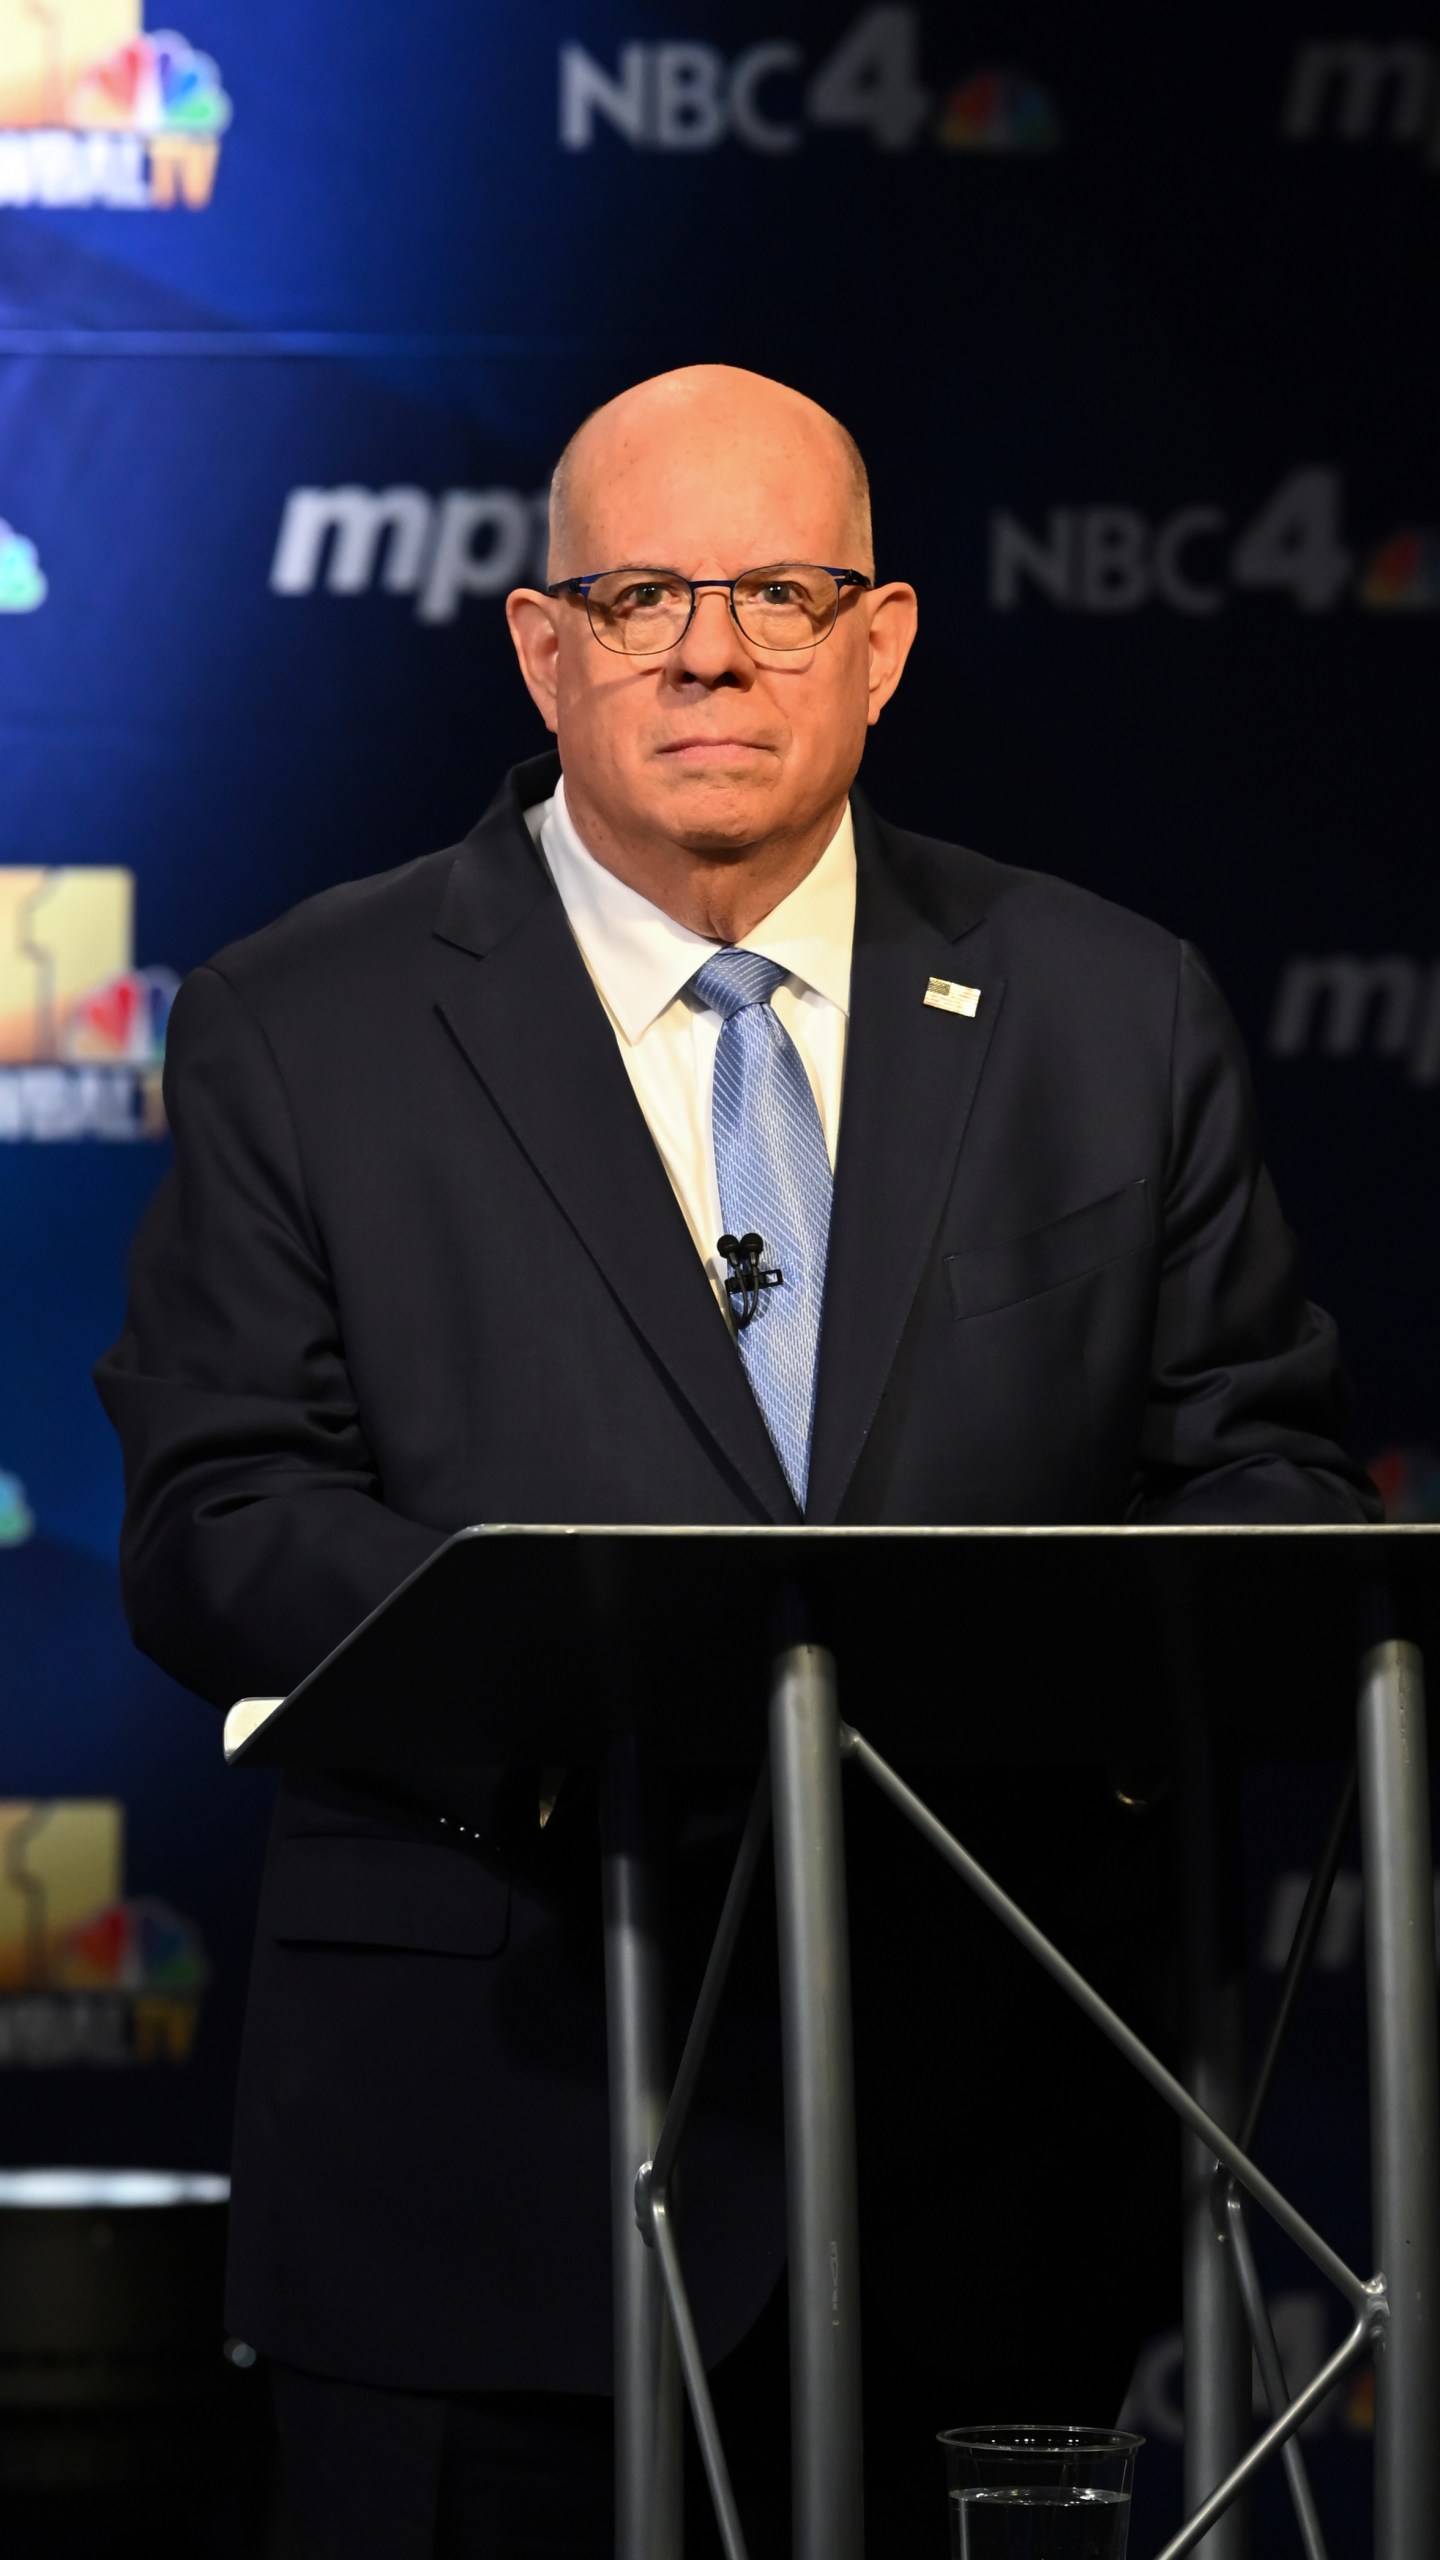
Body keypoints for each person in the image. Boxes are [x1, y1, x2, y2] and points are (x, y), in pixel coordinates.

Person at [96, 365, 1377, 2557]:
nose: (711, 648)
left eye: (781, 593)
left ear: (879, 645)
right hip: (485, 2166)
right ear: (545, 643)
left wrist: (1016, 1672)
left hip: (985, 2169)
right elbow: (221, 1514)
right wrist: (583, 1678)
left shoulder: (1108, 1008)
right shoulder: (300, 1020)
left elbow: (1262, 1481)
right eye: (644, 593)